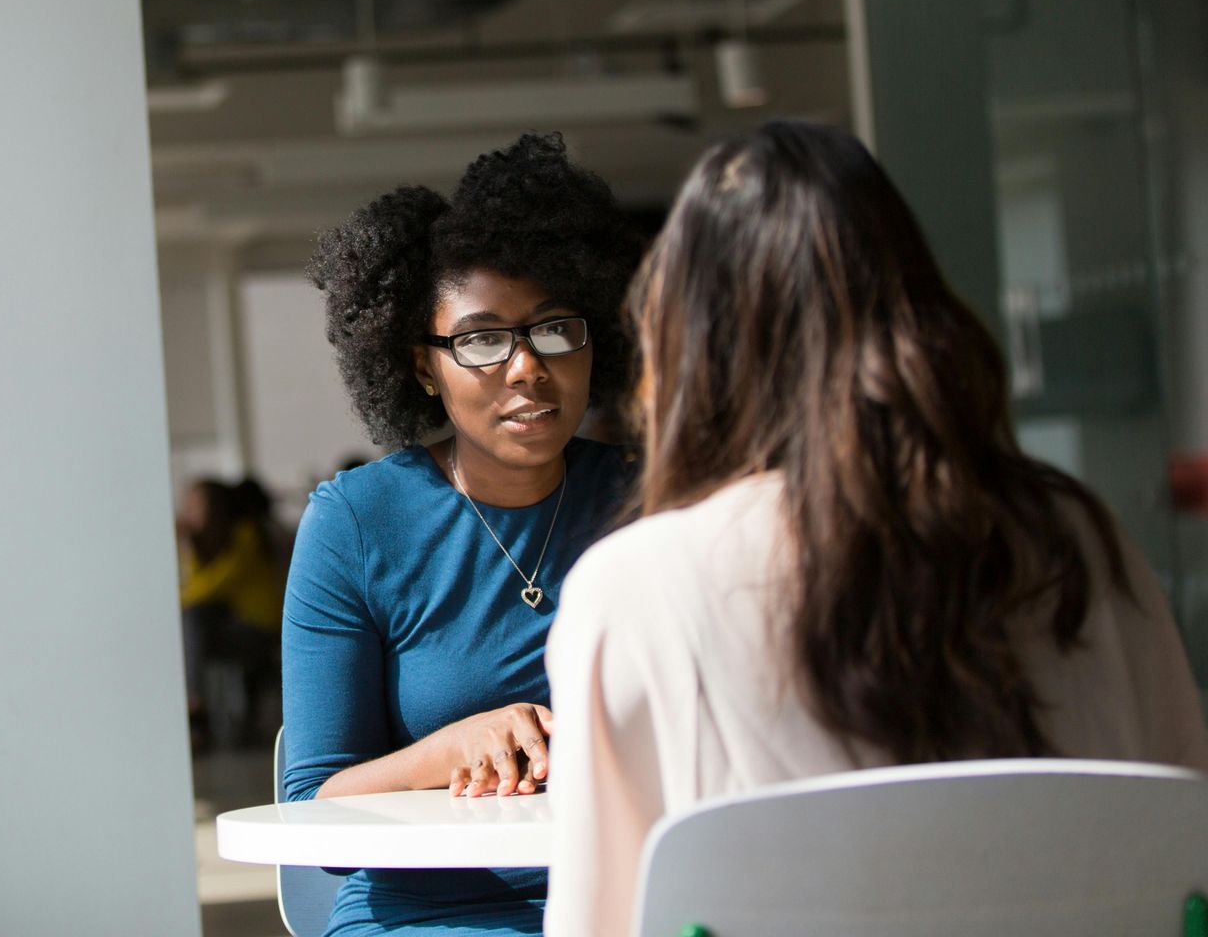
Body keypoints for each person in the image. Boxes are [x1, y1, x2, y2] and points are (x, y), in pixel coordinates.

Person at [543, 122, 1208, 937]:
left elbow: (594, 923)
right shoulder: (1079, 540)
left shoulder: (637, 590)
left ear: (690, 344)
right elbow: (1187, 859)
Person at [284, 133, 642, 937]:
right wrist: (453, 750)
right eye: (482, 340)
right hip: (431, 915)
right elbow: (313, 812)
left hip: (632, 899)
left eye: (555, 329)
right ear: (421, 367)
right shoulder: (357, 523)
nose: (527, 367)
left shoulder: (648, 499)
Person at [178, 478, 283, 748]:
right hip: (233, 626)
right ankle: (195, 706)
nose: (189, 514)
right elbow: (199, 586)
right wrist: (190, 550)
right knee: (192, 622)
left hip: (258, 631)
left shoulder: (245, 536)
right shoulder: (209, 545)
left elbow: (211, 586)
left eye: (195, 507)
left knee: (192, 620)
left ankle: (195, 705)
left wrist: (172, 602)